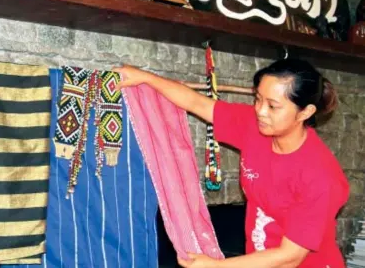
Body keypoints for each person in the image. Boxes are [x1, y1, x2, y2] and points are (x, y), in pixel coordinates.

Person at [114, 58, 349, 268]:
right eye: (258, 99)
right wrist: (144, 77)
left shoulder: (321, 177)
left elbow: (289, 258)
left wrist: (215, 266)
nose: (260, 111)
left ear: (305, 112)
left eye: (273, 106)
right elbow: (198, 104)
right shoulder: (256, 128)